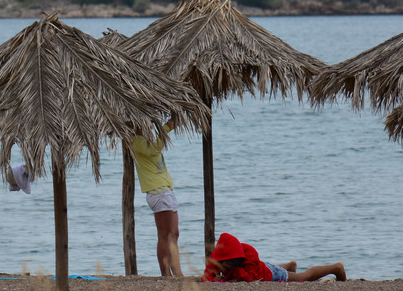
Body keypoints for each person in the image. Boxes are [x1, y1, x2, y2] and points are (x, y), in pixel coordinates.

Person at [131, 118, 182, 276]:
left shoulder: (147, 140)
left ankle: (177, 271)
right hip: (157, 191)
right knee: (164, 235)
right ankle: (166, 273)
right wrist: (166, 128)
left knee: (174, 233)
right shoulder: (135, 141)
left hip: (166, 189)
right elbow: (154, 149)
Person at [202, 232, 346, 282]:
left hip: (269, 274)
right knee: (269, 266)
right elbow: (207, 276)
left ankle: (336, 268)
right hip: (263, 266)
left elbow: (249, 278)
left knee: (304, 277)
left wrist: (228, 275)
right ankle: (290, 265)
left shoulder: (250, 254)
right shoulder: (218, 256)